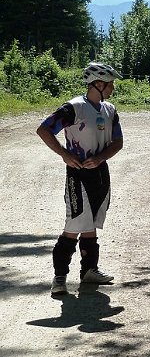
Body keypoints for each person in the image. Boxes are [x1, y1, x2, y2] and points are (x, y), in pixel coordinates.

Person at [37, 62, 124, 295]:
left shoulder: (110, 110)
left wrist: (100, 158)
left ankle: (89, 271)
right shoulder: (74, 107)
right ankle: (59, 278)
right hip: (77, 174)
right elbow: (44, 129)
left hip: (100, 172)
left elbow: (118, 143)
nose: (112, 87)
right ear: (97, 84)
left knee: (92, 221)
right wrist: (64, 154)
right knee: (74, 224)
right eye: (110, 83)